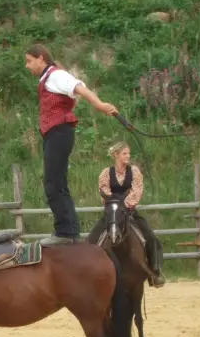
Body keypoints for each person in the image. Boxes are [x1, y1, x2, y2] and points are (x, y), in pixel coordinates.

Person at [24, 44, 120, 246]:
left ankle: (66, 232)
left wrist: (99, 105)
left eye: (29, 61)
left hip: (59, 131)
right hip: (56, 133)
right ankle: (69, 231)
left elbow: (79, 88)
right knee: (56, 182)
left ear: (41, 58)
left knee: (54, 184)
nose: (27, 66)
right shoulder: (49, 78)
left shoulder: (55, 75)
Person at [88, 141, 166, 288]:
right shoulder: (106, 173)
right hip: (112, 212)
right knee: (91, 239)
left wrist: (125, 206)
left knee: (150, 236)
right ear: (116, 155)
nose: (128, 156)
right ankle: (88, 273)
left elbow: (137, 191)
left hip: (129, 211)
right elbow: (103, 191)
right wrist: (114, 204)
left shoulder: (134, 171)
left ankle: (155, 272)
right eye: (125, 153)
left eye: (128, 153)